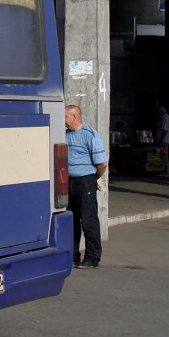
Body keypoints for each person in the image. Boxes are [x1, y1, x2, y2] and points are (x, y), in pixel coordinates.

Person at [65, 104, 108, 268]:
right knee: (71, 220)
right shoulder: (65, 135)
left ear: (74, 116)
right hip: (69, 182)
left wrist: (92, 179)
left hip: (86, 181)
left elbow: (102, 164)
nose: (63, 120)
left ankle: (92, 258)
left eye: (65, 117)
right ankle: (73, 255)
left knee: (88, 220)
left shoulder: (90, 135)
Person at [155, 106, 169, 177]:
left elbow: (165, 130)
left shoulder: (165, 118)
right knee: (164, 156)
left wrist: (162, 139)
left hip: (165, 140)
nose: (160, 112)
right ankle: (165, 172)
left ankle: (166, 173)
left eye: (160, 110)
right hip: (167, 140)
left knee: (165, 156)